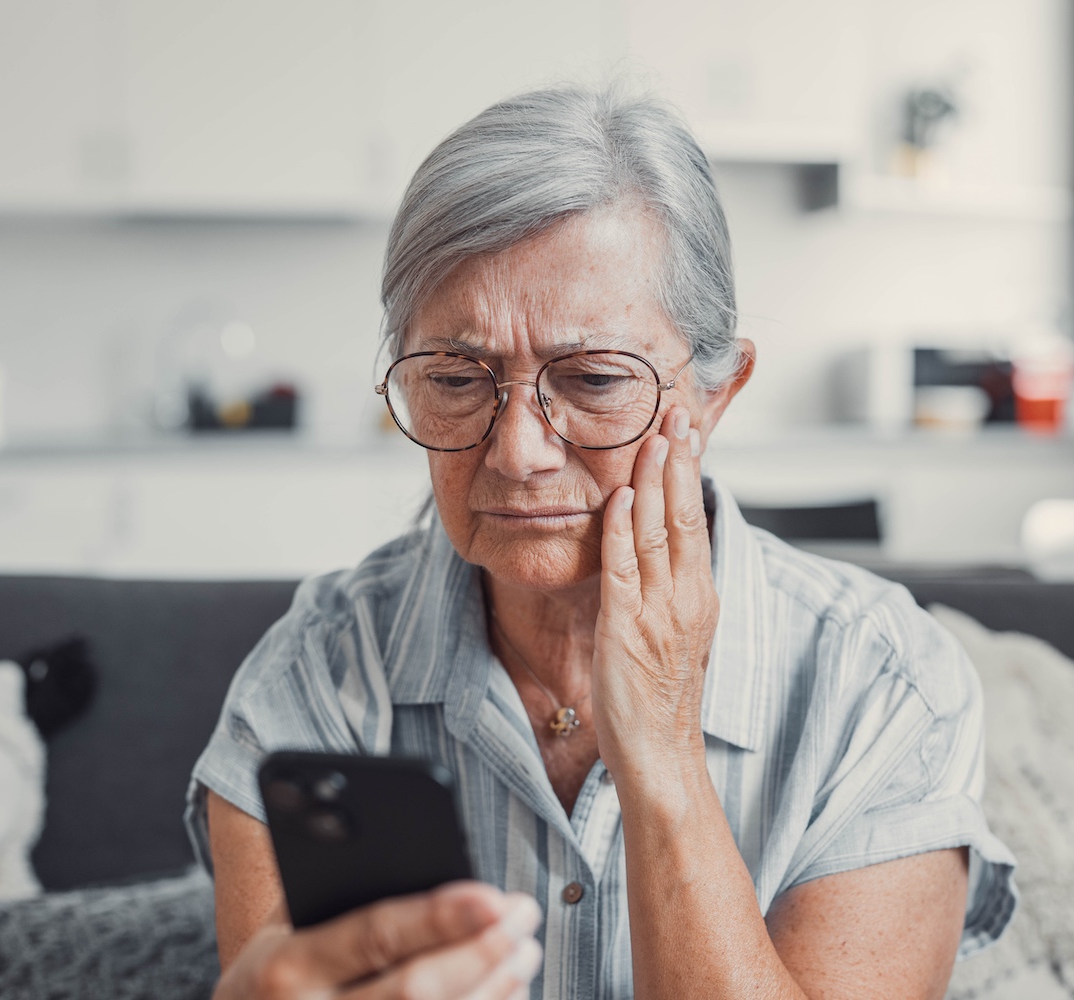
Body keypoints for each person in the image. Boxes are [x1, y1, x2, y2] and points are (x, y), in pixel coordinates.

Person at [187, 84, 1016, 1000]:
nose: (517, 453)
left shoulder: (884, 684)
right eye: (458, 378)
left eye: (591, 378)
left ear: (713, 397)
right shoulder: (319, 669)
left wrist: (660, 754)